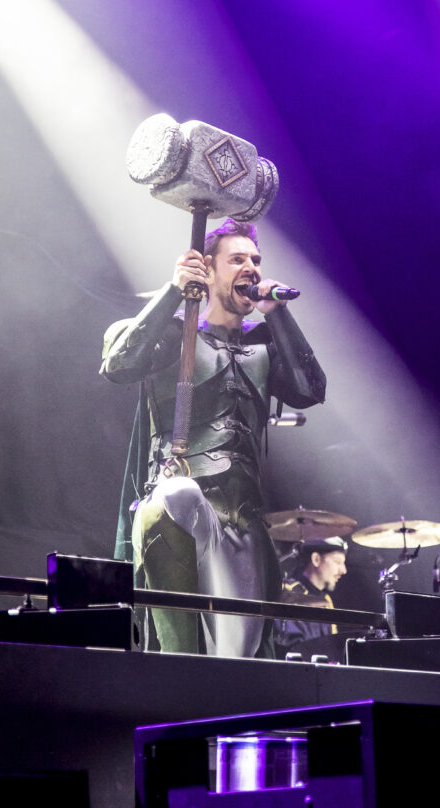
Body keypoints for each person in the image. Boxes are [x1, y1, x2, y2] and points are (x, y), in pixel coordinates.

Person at [100, 218, 326, 658]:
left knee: (238, 659)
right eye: (237, 259)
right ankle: (176, 670)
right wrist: (173, 291)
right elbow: (119, 366)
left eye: (256, 260)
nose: (252, 268)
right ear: (208, 268)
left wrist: (279, 315)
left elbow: (310, 390)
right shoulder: (176, 335)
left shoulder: (264, 347)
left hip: (246, 524)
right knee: (179, 495)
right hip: (187, 514)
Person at [274, 536, 348, 658]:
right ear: (316, 559)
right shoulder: (289, 593)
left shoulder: (326, 601)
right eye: (338, 562)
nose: (343, 570)